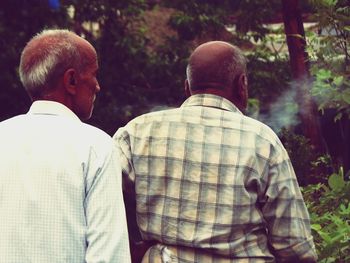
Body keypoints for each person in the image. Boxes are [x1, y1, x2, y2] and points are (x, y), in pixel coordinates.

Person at [114, 41, 317, 262]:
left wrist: (130, 250)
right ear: (242, 85)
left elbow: (97, 199)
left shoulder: (137, 132)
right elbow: (295, 247)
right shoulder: (262, 140)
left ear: (187, 88)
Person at [0, 29, 131, 263]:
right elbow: (109, 255)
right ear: (71, 81)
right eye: (94, 75)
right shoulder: (96, 146)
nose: (98, 86)